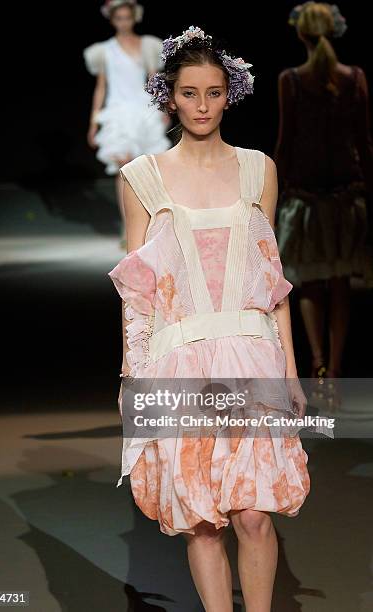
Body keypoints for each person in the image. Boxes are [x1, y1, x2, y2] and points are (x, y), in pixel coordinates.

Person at [108, 26, 332, 612]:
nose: (202, 106)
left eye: (213, 92)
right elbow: (138, 291)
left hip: (250, 350)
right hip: (177, 357)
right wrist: (134, 380)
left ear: (229, 92)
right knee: (203, 519)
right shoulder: (141, 178)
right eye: (189, 93)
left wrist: (288, 368)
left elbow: (271, 276)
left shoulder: (260, 169)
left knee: (254, 513)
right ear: (169, 96)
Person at [274, 2, 373, 380]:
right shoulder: (355, 77)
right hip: (346, 196)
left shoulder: (291, 80)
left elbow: (286, 142)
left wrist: (272, 194)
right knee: (340, 283)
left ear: (301, 34)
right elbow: (364, 143)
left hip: (307, 196)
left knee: (311, 281)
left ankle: (317, 361)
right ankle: (334, 365)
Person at [83, 0, 171, 247]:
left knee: (149, 171)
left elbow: (154, 78)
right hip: (118, 113)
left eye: (127, 17)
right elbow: (101, 87)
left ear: (134, 17)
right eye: (119, 18)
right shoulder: (104, 50)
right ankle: (127, 229)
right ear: (112, 20)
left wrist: (162, 106)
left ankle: (151, 226)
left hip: (143, 111)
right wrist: (94, 122)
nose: (123, 22)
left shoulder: (148, 45)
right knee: (123, 171)